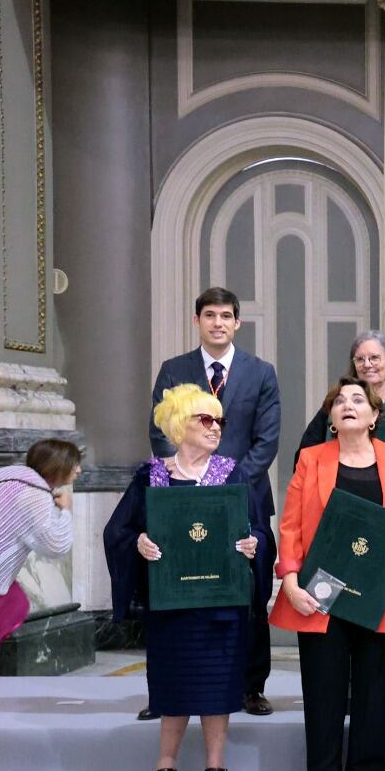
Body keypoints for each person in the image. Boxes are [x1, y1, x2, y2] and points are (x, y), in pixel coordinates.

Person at [106, 385, 272, 771]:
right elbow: (118, 531)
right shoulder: (152, 475)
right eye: (205, 420)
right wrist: (139, 542)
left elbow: (258, 529)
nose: (216, 428)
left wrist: (253, 544)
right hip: (173, 604)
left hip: (221, 603)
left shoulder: (232, 474)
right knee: (173, 683)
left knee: (217, 686)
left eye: (220, 421)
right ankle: (166, 765)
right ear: (180, 426)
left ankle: (216, 765)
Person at [270, 376, 385, 771]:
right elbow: (290, 526)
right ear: (332, 418)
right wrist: (289, 580)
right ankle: (321, 767)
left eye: (358, 399)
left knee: (376, 680)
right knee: (323, 677)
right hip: (321, 588)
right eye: (339, 401)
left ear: (375, 415)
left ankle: (368, 765)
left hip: (381, 587)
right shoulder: (311, 459)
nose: (348, 405)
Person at [149, 287, 280, 718]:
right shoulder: (174, 370)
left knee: (249, 594)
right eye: (210, 315)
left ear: (238, 322)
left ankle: (251, 686)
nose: (218, 322)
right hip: (183, 501)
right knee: (180, 593)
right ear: (197, 321)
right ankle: (168, 691)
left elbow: (266, 441)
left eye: (226, 315)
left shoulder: (260, 372)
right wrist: (196, 484)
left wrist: (226, 483)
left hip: (246, 502)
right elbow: (159, 432)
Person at [294, 330, 385, 492]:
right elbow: (305, 454)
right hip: (343, 496)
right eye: (360, 359)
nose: (367, 364)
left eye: (374, 358)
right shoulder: (336, 408)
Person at [0, 440, 81, 647]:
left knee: (15, 599)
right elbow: (55, 544)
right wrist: (65, 511)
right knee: (14, 605)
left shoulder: (7, 477)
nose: (79, 470)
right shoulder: (34, 495)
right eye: (74, 464)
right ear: (58, 465)